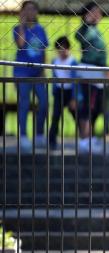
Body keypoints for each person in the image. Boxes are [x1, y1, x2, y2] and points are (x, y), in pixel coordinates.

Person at [13, 0, 49, 151]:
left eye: (33, 9)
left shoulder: (41, 29)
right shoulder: (17, 28)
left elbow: (44, 50)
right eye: (27, 9)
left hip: (38, 72)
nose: (30, 12)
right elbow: (21, 44)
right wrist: (22, 24)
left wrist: (44, 69)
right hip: (22, 72)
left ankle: (39, 134)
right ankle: (23, 136)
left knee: (44, 102)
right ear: (22, 12)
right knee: (24, 103)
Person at [75, 1, 106, 152]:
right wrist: (86, 23)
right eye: (94, 11)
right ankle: (84, 139)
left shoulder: (97, 30)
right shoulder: (86, 30)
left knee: (96, 106)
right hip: (89, 70)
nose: (97, 14)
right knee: (88, 105)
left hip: (99, 71)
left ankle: (90, 136)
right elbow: (78, 36)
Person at [49, 36, 79, 150]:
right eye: (59, 49)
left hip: (70, 91)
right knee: (56, 116)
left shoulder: (73, 62)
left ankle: (84, 139)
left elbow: (75, 81)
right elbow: (54, 77)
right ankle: (52, 141)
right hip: (59, 91)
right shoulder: (54, 61)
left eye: (63, 48)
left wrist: (74, 98)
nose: (61, 51)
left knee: (76, 115)